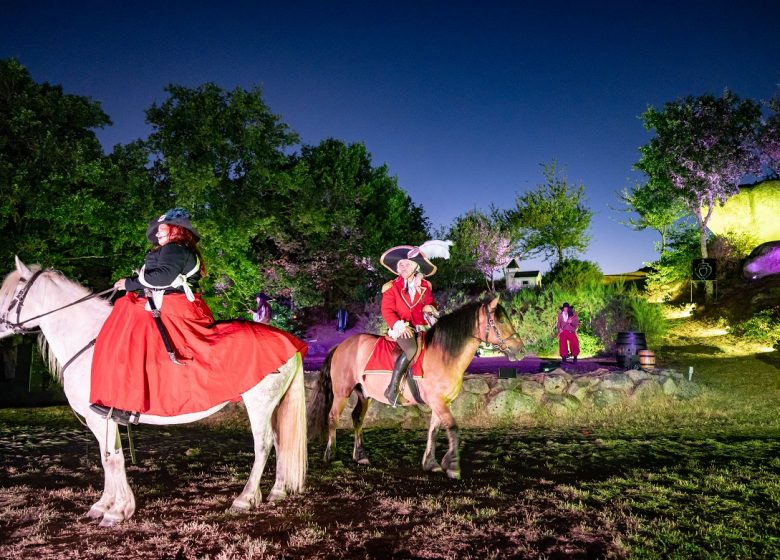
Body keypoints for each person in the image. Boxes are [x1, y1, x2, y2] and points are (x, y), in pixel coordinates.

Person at [89, 208, 306, 425]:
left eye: (161, 229)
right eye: (155, 232)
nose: (157, 234)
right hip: (172, 303)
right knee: (128, 307)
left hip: (175, 306)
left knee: (127, 311)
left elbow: (163, 277)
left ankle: (124, 399)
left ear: (176, 230)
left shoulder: (175, 249)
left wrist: (129, 284)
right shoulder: (172, 250)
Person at [379, 245, 438, 406]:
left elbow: (430, 302)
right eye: (400, 265)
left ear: (415, 267)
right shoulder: (391, 287)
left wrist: (430, 307)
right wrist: (400, 326)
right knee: (411, 349)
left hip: (421, 326)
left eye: (407, 264)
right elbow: (387, 310)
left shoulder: (425, 286)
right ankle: (392, 390)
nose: (403, 268)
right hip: (401, 326)